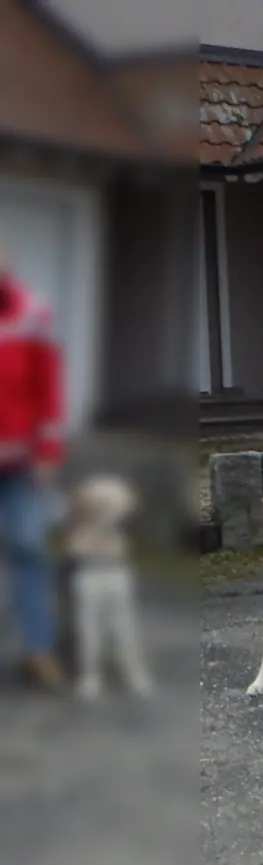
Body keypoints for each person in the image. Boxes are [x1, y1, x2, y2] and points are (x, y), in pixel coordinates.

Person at [0, 252, 64, 691]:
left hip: (20, 464)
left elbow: (49, 386)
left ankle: (38, 652)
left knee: (30, 554)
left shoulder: (31, 312)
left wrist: (47, 450)